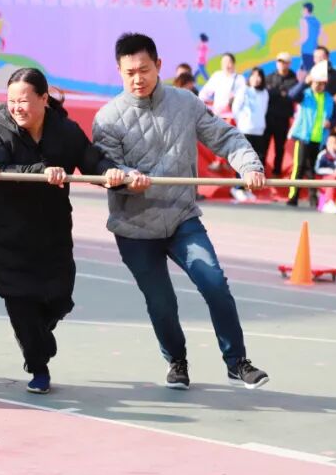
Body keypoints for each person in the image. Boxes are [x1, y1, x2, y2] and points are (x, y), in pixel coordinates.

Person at [93, 33, 269, 390]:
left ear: (159, 65)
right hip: (134, 227)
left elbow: (226, 137)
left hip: (181, 217)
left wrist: (249, 165)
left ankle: (237, 362)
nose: (137, 79)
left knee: (214, 283)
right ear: (119, 71)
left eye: (144, 69)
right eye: (129, 73)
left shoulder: (185, 103)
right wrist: (123, 178)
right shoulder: (108, 118)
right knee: (161, 303)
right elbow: (104, 166)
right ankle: (176, 361)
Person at [0, 68, 112, 394]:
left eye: (24, 101)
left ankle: (39, 337)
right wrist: (42, 171)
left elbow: (91, 160)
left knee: (59, 299)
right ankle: (38, 366)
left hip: (52, 232)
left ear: (43, 99)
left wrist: (113, 174)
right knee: (21, 301)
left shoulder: (65, 130)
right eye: (12, 101)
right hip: (7, 233)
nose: (16, 108)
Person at [286, 61, 336, 207]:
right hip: (304, 137)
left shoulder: (329, 98)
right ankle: (293, 197)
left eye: (321, 83)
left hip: (319, 139)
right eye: (316, 83)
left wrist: (331, 122)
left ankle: (313, 198)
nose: (318, 86)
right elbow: (292, 95)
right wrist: (304, 82)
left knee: (312, 169)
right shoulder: (306, 94)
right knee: (299, 167)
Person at [230, 67, 270, 194]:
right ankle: (238, 187)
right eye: (253, 75)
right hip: (245, 129)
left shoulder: (264, 93)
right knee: (243, 158)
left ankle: (249, 188)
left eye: (259, 76)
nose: (256, 79)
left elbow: (264, 110)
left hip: (259, 131)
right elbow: (235, 108)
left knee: (257, 159)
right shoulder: (244, 90)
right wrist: (242, 121)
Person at [264, 52, 298, 177]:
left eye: (284, 62)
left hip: (283, 119)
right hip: (268, 117)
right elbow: (267, 94)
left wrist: (275, 92)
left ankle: (277, 171)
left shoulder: (294, 79)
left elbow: (291, 96)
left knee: (280, 147)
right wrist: (280, 93)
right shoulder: (269, 77)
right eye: (279, 61)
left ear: (289, 64)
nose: (281, 64)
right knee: (264, 145)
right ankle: (260, 170)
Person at [198, 52, 244, 118]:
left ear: (233, 64)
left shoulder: (240, 79)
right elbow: (204, 93)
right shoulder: (217, 76)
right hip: (217, 115)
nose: (226, 65)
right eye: (224, 62)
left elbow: (241, 98)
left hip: (232, 117)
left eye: (229, 62)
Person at [314, 133, 336, 213]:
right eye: (329, 142)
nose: (331, 145)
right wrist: (332, 172)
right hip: (324, 179)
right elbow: (317, 169)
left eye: (334, 142)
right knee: (332, 180)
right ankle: (329, 202)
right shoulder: (323, 155)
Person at [298, 2, 321, 72]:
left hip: (306, 50)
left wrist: (295, 43)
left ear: (306, 10)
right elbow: (318, 34)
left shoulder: (303, 20)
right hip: (315, 49)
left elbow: (304, 36)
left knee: (306, 72)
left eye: (303, 9)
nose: (302, 11)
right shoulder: (316, 21)